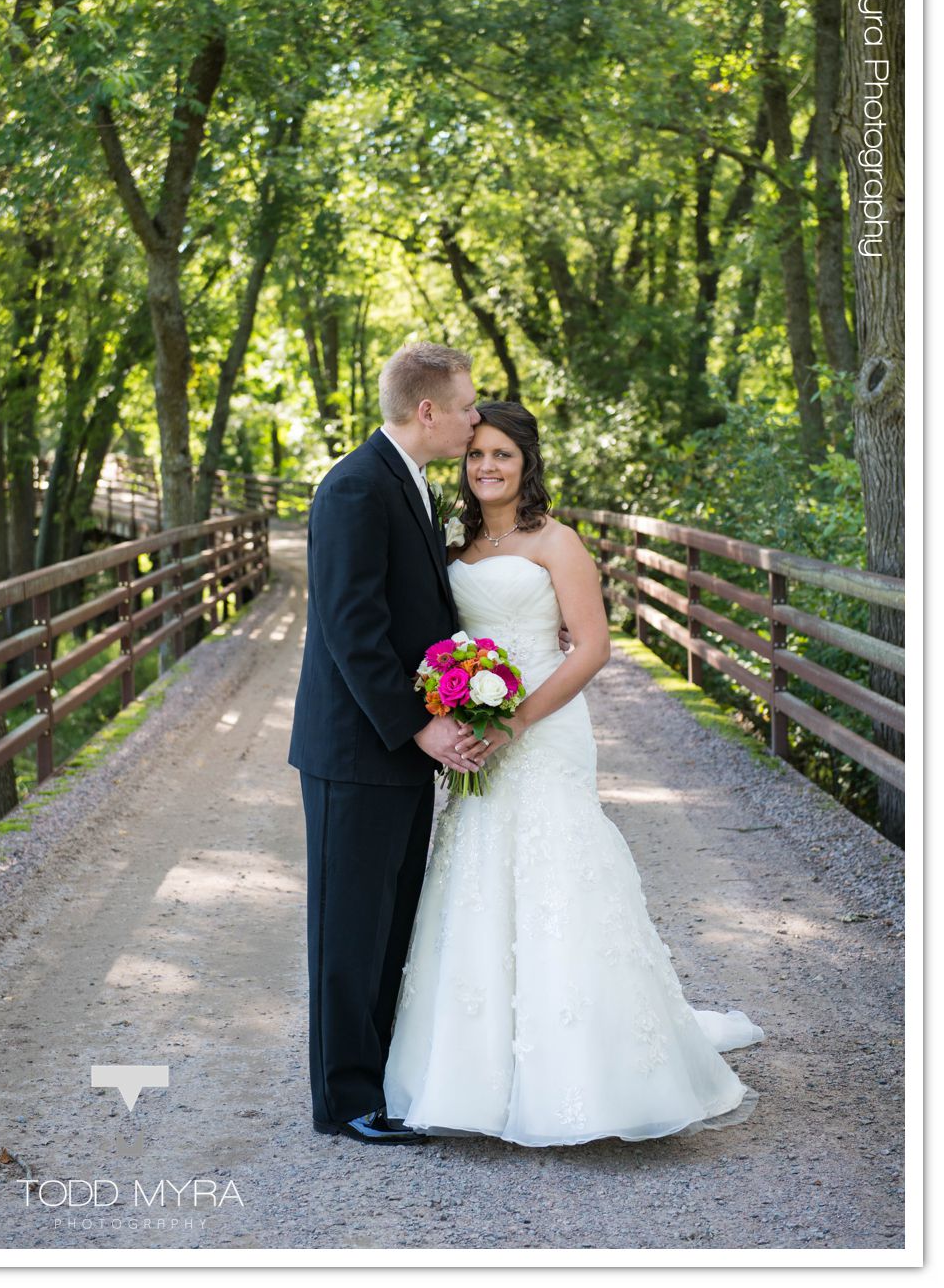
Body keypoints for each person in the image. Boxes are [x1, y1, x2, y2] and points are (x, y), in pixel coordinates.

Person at [383, 401, 766, 1146]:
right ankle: (475, 1070)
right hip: (478, 731)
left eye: (502, 455)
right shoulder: (450, 546)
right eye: (475, 456)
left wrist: (515, 719)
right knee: (477, 871)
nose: (486, 467)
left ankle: (590, 1069)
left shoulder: (557, 542)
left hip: (545, 726)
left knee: (558, 868)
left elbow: (589, 648)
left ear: (526, 463)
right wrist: (453, 705)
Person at [288, 342, 491, 1144]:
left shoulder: (408, 485)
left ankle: (380, 1082)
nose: (475, 418)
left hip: (398, 751)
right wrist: (420, 726)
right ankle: (343, 1103)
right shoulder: (352, 488)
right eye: (468, 405)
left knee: (390, 920)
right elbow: (352, 630)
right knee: (348, 929)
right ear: (429, 409)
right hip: (354, 751)